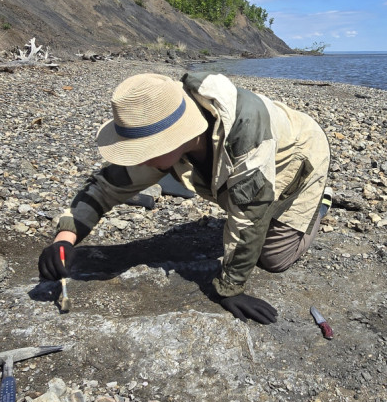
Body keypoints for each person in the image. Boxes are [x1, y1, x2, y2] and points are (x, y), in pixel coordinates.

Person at [37, 72, 331, 324]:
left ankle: (319, 206)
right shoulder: (162, 116)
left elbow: (249, 215)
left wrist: (231, 288)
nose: (139, 159)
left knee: (273, 259)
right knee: (238, 195)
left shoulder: (245, 135)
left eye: (144, 151)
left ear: (177, 137)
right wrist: (65, 237)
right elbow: (105, 187)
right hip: (246, 170)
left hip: (298, 160)